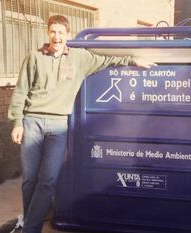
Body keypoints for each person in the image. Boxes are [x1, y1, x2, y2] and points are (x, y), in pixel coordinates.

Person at [8, 15, 155, 233]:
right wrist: (17, 122)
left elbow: (107, 60)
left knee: (47, 180)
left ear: (68, 35)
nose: (56, 37)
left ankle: (29, 227)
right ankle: (32, 224)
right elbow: (21, 90)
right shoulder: (35, 57)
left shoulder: (79, 58)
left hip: (58, 126)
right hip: (32, 122)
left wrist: (132, 60)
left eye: (61, 32)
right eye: (52, 32)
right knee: (29, 179)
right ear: (47, 33)